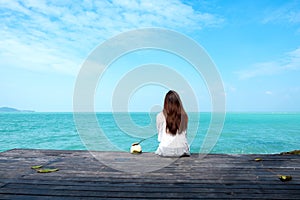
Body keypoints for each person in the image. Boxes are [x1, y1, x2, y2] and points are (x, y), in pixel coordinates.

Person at [155, 90, 190, 157]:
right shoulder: (184, 116)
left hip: (165, 150)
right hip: (182, 150)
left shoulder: (160, 115)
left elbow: (160, 137)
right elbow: (185, 135)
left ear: (165, 102)